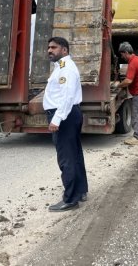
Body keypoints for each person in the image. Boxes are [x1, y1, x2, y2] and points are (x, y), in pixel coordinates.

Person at [43, 37, 88, 211]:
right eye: (48, 47)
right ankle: (80, 190)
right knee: (75, 155)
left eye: (54, 47)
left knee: (66, 158)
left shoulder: (66, 68)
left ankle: (70, 199)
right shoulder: (60, 67)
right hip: (68, 113)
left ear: (64, 50)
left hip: (64, 115)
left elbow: (67, 95)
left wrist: (57, 118)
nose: (49, 50)